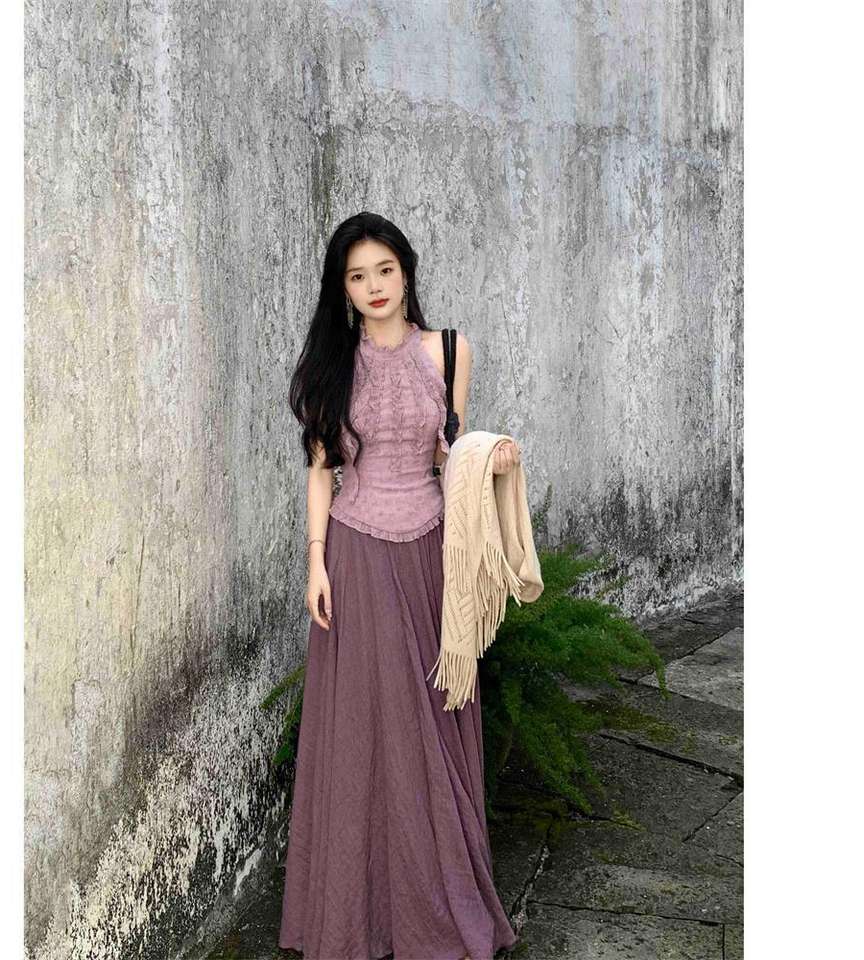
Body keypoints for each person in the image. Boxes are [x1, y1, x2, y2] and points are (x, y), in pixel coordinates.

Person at [279, 211, 521, 960]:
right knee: (362, 731)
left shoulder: (449, 351)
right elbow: (321, 470)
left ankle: (436, 908)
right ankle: (357, 918)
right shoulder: (332, 364)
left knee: (434, 722)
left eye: (384, 270)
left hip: (430, 556)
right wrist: (316, 562)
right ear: (343, 289)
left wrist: (487, 458)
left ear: (406, 270)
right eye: (358, 276)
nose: (375, 286)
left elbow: (449, 455)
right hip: (354, 553)